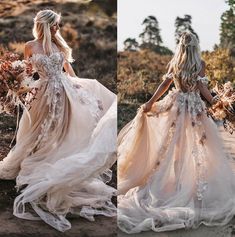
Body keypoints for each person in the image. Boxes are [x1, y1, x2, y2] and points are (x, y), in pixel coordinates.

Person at [0, 9, 117, 232]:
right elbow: (28, 72)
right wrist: (15, 84)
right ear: (45, 25)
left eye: (58, 25)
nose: (57, 29)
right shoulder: (30, 46)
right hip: (42, 94)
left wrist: (83, 89)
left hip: (64, 92)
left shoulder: (59, 46)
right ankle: (37, 159)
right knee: (39, 130)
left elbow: (69, 71)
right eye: (55, 25)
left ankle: (56, 160)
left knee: (60, 129)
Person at [117, 31, 235, 234]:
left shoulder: (176, 63)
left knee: (175, 147)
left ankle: (177, 184)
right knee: (198, 146)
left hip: (178, 106)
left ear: (180, 46)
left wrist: (150, 103)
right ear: (195, 46)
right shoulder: (200, 64)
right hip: (194, 109)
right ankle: (188, 186)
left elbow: (164, 86)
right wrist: (217, 102)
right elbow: (203, 90)